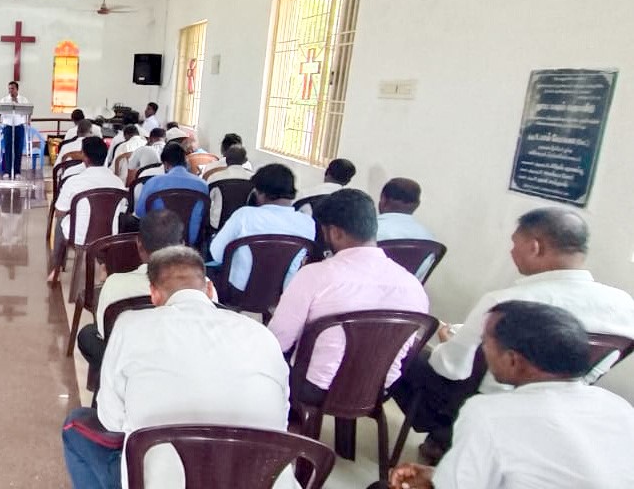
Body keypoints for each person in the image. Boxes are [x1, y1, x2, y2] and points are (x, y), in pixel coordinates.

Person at [392, 206, 634, 462]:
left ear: (534, 247)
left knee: (404, 350)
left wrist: (445, 342)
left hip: (481, 399)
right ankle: (443, 440)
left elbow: (451, 369)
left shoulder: (504, 303)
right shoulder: (624, 306)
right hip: (559, 407)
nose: (511, 251)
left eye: (514, 243)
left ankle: (444, 434)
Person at [63, 246, 294, 489]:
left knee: (76, 425)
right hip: (262, 482)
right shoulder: (261, 335)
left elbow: (111, 421)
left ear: (154, 295)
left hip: (157, 482)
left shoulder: (130, 326)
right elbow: (281, 420)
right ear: (209, 290)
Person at [389, 301, 634, 489]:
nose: (483, 349)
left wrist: (440, 481)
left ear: (513, 360)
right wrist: (438, 475)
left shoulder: (487, 413)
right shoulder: (617, 406)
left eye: (485, 344)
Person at [267, 188, 428, 402]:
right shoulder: (413, 285)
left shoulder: (315, 276)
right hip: (378, 390)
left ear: (335, 233)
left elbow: (278, 341)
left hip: (314, 388)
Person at [75, 209, 186, 379]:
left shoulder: (116, 284)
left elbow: (105, 335)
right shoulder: (204, 286)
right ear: (183, 246)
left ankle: (109, 390)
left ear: (139, 245)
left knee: (88, 335)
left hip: (129, 368)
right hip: (180, 365)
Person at [209, 163, 316, 292]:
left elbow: (216, 254)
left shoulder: (244, 215)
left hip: (238, 291)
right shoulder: (307, 223)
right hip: (281, 292)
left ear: (260, 193)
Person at [48, 137, 126, 282]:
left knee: (60, 220)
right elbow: (121, 209)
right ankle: (104, 264)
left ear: (85, 157)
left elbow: (59, 211)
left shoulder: (74, 181)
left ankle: (57, 267)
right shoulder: (117, 182)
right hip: (108, 236)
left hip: (78, 236)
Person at [134, 143, 209, 245]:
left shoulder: (152, 183)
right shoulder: (203, 185)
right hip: (192, 241)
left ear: (166, 165)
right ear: (186, 161)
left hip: (159, 242)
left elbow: (140, 212)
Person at [205, 144, 255, 228]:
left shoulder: (214, 178)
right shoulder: (254, 179)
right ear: (245, 160)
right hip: (244, 226)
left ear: (226, 160)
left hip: (218, 226)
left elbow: (206, 201)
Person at [0, 81, 31, 178]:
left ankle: (17, 172)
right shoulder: (4, 100)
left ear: (17, 89)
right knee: (8, 149)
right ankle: (7, 171)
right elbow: (1, 112)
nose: (10, 90)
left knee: (18, 149)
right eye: (9, 88)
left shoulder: (23, 100)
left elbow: (27, 113)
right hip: (8, 126)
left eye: (12, 88)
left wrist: (17, 104)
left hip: (19, 126)